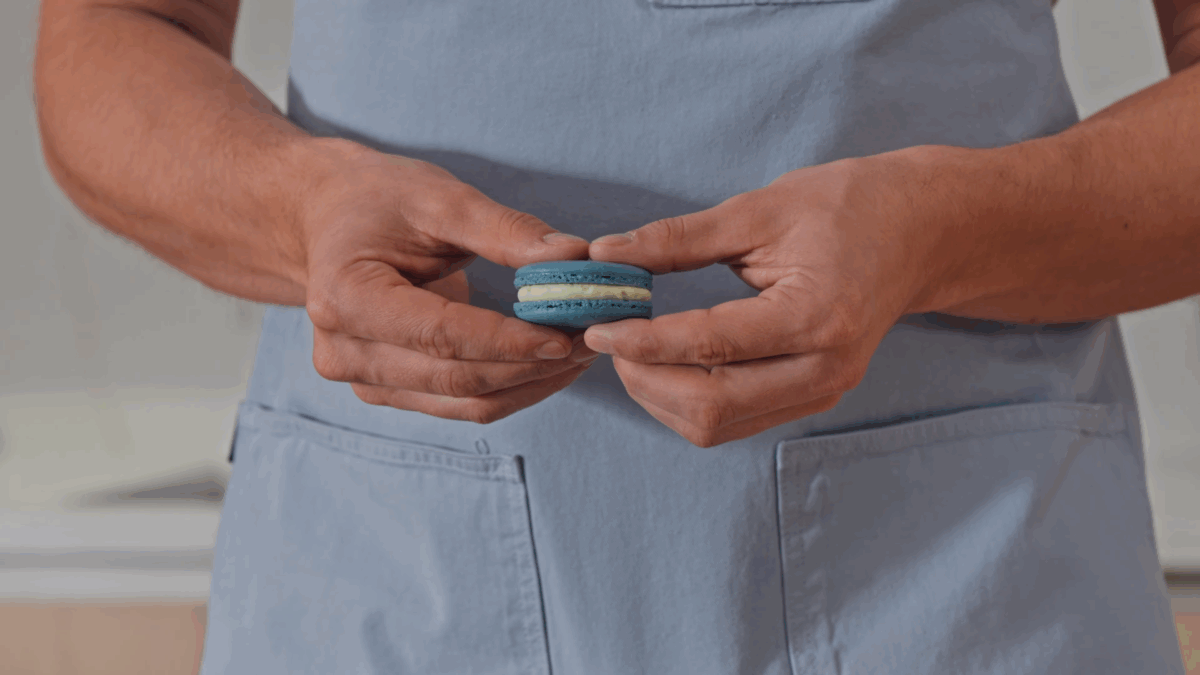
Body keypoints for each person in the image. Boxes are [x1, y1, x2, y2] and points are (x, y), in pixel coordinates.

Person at [33, 0, 1198, 671]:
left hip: (956, 586)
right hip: (392, 582)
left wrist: (941, 236)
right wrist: (298, 209)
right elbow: (111, 38)